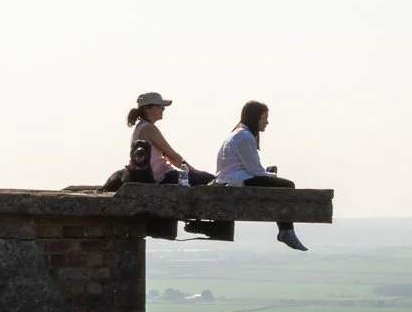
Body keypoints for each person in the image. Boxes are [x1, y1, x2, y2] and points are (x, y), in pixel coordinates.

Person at [216, 99, 307, 250]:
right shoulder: (245, 137)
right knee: (287, 186)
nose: (267, 122)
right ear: (256, 118)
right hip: (237, 181)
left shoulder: (236, 134)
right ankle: (286, 231)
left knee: (274, 180)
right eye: (265, 118)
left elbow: (251, 168)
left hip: (231, 178)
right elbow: (255, 171)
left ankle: (285, 230)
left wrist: (268, 174)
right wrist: (272, 175)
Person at [126, 93, 214, 186]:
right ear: (148, 108)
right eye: (160, 106)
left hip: (154, 176)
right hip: (162, 177)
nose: (163, 109)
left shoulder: (140, 127)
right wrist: (194, 171)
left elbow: (169, 157)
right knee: (210, 179)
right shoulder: (149, 128)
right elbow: (172, 155)